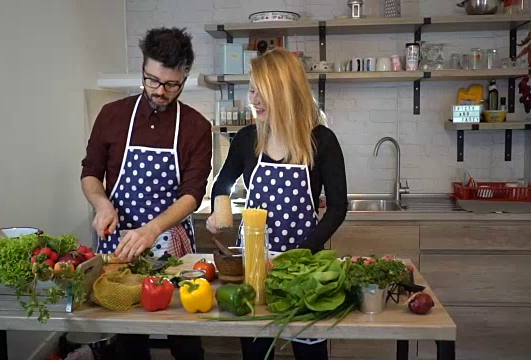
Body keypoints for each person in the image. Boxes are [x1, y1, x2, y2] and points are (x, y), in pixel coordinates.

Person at [206, 47, 348, 360]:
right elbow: (223, 183)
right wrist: (219, 210)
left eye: (263, 92)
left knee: (309, 351)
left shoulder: (321, 141)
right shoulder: (246, 139)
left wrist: (296, 257)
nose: (254, 100)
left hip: (304, 269)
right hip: (254, 264)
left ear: (285, 92)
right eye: (252, 90)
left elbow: (338, 208)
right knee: (257, 350)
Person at [80, 27, 211, 360]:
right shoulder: (112, 116)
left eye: (170, 84)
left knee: (184, 334)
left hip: (171, 245)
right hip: (118, 243)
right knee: (126, 338)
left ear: (184, 78)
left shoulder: (196, 126)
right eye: (151, 80)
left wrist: (153, 228)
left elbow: (193, 194)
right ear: (143, 68)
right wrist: (102, 204)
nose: (159, 91)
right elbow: (91, 173)